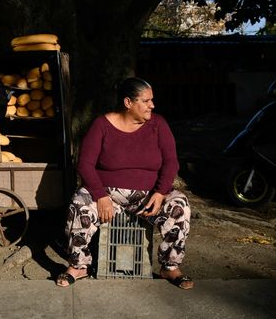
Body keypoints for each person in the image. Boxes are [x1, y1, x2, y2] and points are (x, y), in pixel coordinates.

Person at [56, 77, 193, 289]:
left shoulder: (159, 124)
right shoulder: (102, 125)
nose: (152, 105)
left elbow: (171, 162)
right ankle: (79, 265)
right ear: (128, 103)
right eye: (146, 101)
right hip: (107, 194)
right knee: (79, 205)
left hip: (149, 196)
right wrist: (100, 195)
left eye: (152, 100)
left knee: (179, 206)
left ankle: (169, 266)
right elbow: (85, 165)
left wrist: (161, 192)